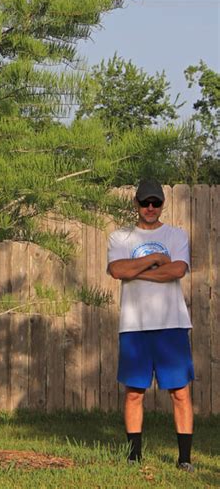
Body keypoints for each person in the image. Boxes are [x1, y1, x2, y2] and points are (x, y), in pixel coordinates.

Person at [107, 179, 194, 472]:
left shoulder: (176, 235)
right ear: (136, 204)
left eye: (156, 203)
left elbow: (177, 270)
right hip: (134, 325)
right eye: (145, 203)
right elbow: (117, 270)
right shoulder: (120, 238)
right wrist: (155, 259)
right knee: (134, 392)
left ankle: (184, 459)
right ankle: (134, 457)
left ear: (162, 205)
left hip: (172, 324)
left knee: (180, 392)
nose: (151, 208)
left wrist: (136, 272)